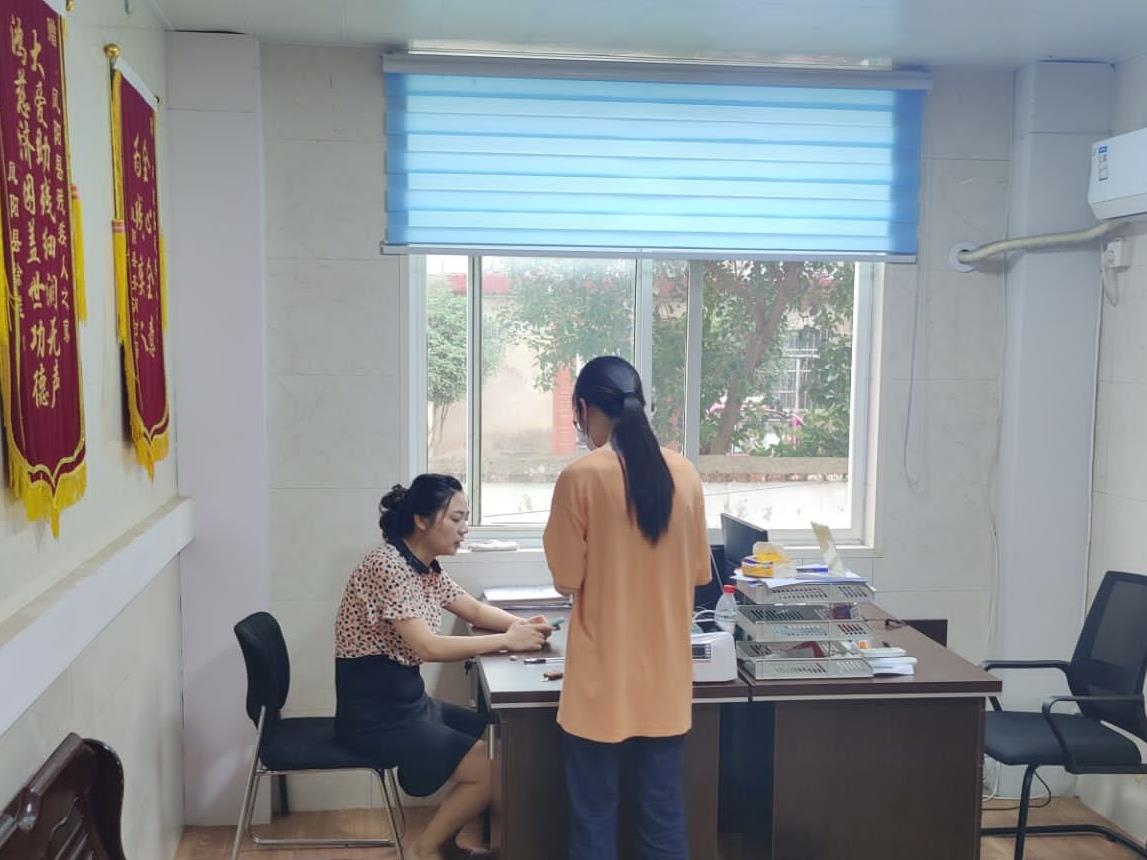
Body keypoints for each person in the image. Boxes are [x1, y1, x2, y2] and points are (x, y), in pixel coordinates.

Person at [543, 356, 711, 860]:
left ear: (583, 408)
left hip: (600, 684)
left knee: (594, 818)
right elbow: (699, 573)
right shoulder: (685, 474)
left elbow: (566, 579)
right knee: (663, 818)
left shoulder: (580, 477)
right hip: (665, 682)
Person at [335, 474, 552, 860]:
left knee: (497, 741)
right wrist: (508, 640)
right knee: (489, 769)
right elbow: (428, 647)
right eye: (456, 518)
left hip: (407, 702)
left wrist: (523, 626)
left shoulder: (424, 566)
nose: (464, 529)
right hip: (375, 715)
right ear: (421, 520)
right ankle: (425, 849)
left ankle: (453, 843)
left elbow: (474, 610)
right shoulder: (388, 565)